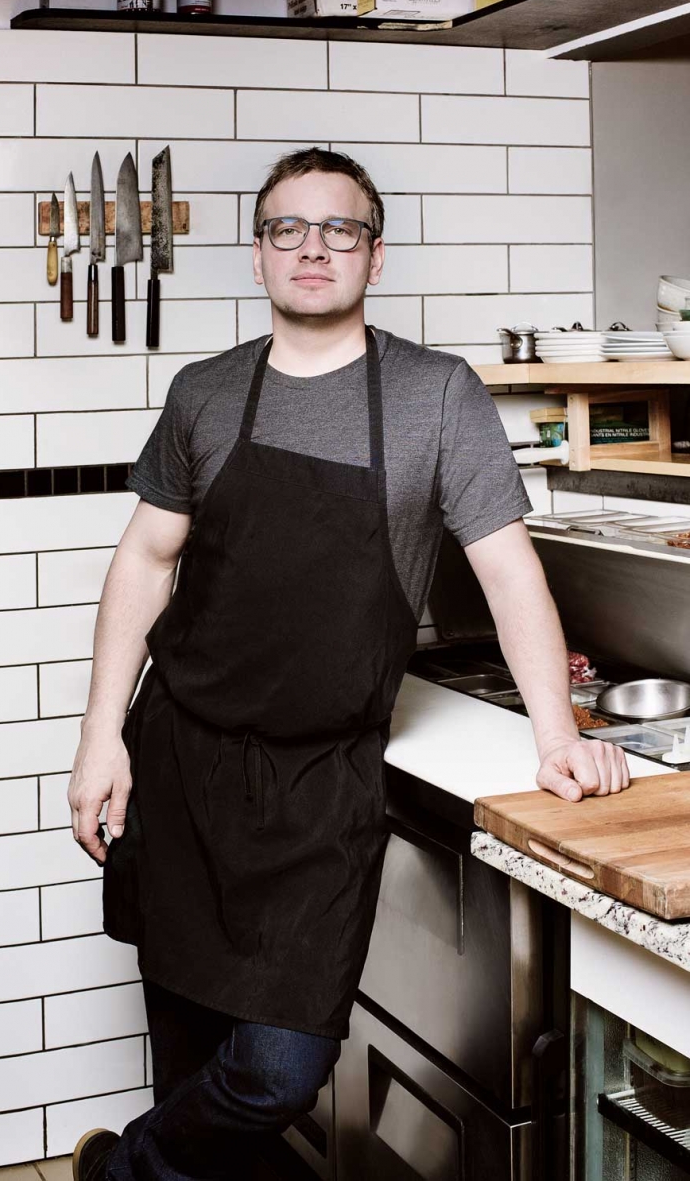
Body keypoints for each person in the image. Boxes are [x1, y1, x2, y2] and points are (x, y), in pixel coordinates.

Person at [68, 147, 629, 1181]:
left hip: (325, 780)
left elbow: (509, 575)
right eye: (289, 228)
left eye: (340, 229)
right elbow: (145, 564)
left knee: (280, 1068)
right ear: (257, 254)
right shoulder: (205, 393)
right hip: (185, 761)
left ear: (376, 254)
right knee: (189, 1054)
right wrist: (100, 736)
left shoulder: (435, 395)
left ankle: (117, 1174)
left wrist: (560, 734)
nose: (313, 248)